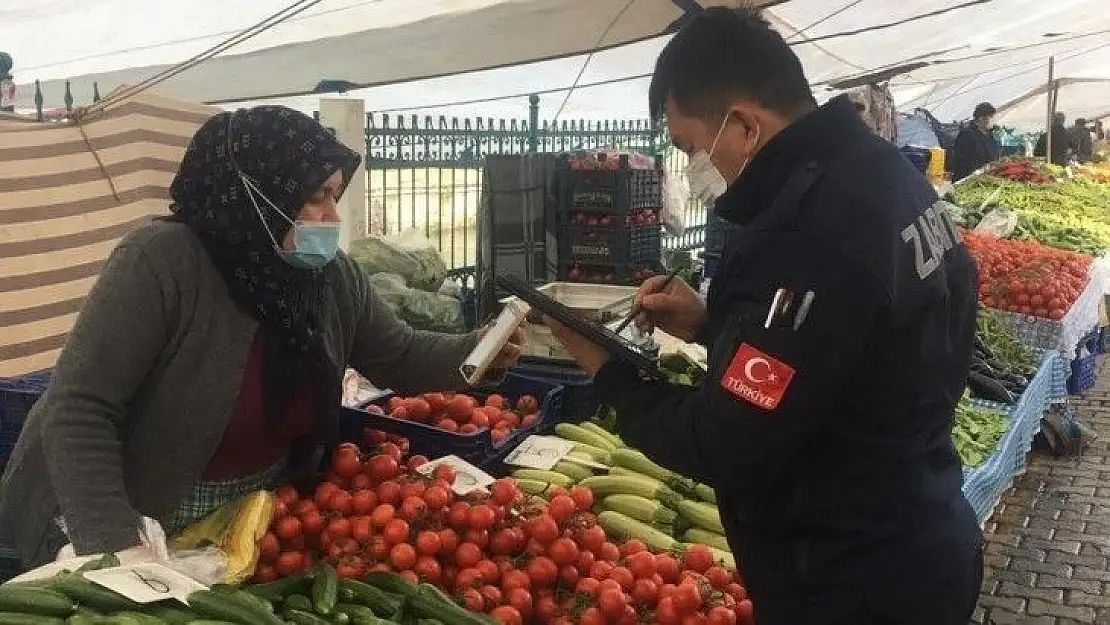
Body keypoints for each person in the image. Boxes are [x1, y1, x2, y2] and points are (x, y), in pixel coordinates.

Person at [545, 8, 982, 625]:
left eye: (691, 147)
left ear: (744, 126)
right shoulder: (884, 173)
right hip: (916, 523)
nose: (697, 168)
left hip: (851, 577)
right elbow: (849, 346)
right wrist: (711, 324)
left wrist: (608, 370)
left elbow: (724, 441)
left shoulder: (807, 229)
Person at [0, 106, 521, 567]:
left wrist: (480, 352)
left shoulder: (329, 279)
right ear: (259, 191)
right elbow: (80, 407)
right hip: (123, 510)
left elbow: (400, 353)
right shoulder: (161, 261)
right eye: (316, 198)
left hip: (247, 518)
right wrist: (113, 545)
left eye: (335, 197)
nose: (333, 218)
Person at [947, 102, 1000, 180]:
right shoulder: (967, 135)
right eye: (991, 117)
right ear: (981, 118)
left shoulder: (990, 136)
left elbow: (994, 156)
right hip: (968, 180)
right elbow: (963, 163)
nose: (993, 120)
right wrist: (982, 169)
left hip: (987, 178)